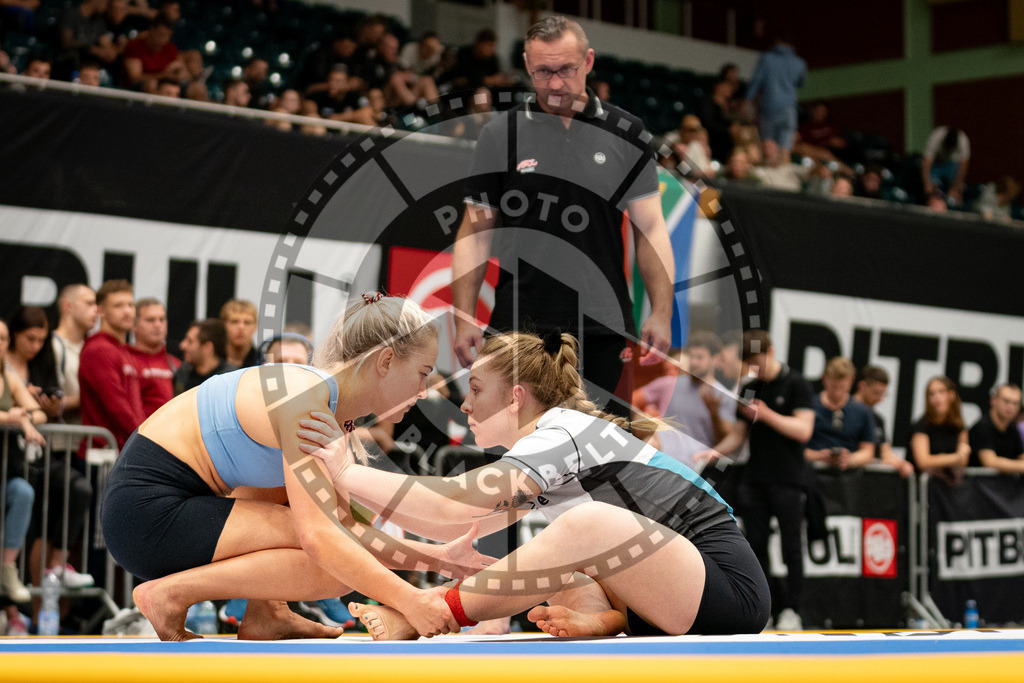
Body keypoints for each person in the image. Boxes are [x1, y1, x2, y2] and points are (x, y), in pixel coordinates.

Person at [306, 330, 768, 639]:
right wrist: (343, 485)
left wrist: (349, 472)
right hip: (667, 593)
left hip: (728, 591)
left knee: (584, 526)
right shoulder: (549, 447)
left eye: (476, 390)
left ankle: (432, 611)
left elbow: (454, 503)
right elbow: (449, 525)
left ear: (515, 397)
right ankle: (605, 618)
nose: (464, 406)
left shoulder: (560, 430)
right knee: (559, 551)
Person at [102, 295, 486, 641]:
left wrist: (439, 558)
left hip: (156, 508)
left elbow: (347, 528)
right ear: (386, 361)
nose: (424, 390)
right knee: (336, 566)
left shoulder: (327, 408)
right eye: (423, 372)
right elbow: (325, 540)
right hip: (143, 516)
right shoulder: (306, 401)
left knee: (337, 544)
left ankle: (266, 611)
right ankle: (169, 595)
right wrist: (412, 600)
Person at [451, 16, 674, 419]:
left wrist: (661, 310)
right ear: (526, 64)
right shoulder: (502, 134)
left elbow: (651, 228)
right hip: (517, 329)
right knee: (509, 464)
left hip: (603, 330)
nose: (555, 83)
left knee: (600, 468)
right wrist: (464, 315)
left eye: (566, 70)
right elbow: (475, 231)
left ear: (588, 61)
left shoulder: (628, 133)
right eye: (543, 71)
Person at [695, 330, 814, 632]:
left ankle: (794, 610)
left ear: (771, 352)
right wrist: (714, 452)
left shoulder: (797, 384)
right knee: (756, 547)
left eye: (758, 362)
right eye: (750, 364)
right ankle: (770, 605)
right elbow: (738, 435)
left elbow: (803, 430)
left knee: (791, 547)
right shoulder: (749, 387)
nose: (755, 369)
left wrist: (768, 415)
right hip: (755, 478)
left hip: (788, 478)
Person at [6, 309, 95, 589]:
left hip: (41, 455)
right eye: (29, 339)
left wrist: (46, 409)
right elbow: (24, 409)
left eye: (41, 340)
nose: (35, 346)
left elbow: (39, 413)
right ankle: (11, 606)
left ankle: (58, 565)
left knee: (79, 489)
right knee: (28, 521)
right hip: (10, 460)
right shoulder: (5, 370)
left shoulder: (43, 363)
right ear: (14, 336)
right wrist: (18, 415)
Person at [636, 331, 736, 469]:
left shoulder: (724, 397)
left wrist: (714, 413)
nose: (694, 362)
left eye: (700, 357)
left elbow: (727, 441)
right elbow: (632, 402)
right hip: (657, 464)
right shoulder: (669, 384)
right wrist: (646, 425)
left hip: (694, 470)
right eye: (691, 357)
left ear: (715, 359)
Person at [0, 318, 45, 613]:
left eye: (3, 339)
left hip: (5, 472)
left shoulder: (9, 375)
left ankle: (7, 568)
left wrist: (24, 416)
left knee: (23, 493)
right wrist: (12, 417)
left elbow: (39, 413)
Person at [79, 279, 146, 450]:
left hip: (124, 449)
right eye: (118, 306)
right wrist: (146, 441)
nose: (127, 311)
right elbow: (117, 408)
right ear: (101, 311)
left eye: (131, 305)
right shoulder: (99, 349)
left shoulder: (123, 350)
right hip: (103, 452)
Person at [804, 357, 875, 471]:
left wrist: (850, 459)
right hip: (811, 473)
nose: (837, 392)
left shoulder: (863, 411)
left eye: (841, 387)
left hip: (847, 479)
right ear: (824, 379)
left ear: (851, 381)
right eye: (834, 386)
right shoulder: (808, 406)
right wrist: (818, 456)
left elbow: (868, 450)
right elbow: (794, 448)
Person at [745, 34, 806, 163]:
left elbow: (756, 81)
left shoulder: (767, 59)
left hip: (770, 109)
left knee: (767, 146)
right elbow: (801, 83)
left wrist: (747, 100)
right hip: (790, 110)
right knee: (785, 149)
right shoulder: (800, 62)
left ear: (777, 41)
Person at [852, 365, 914, 477]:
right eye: (876, 393)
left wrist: (901, 464)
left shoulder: (878, 420)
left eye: (883, 394)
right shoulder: (845, 411)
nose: (880, 399)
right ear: (862, 386)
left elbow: (886, 452)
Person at [909, 376, 969, 487]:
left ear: (951, 395)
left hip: (950, 488)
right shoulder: (921, 425)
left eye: (941, 392)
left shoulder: (959, 425)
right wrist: (956, 457)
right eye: (932, 394)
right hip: (924, 488)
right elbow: (923, 461)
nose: (936, 397)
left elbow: (964, 460)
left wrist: (939, 459)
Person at [129, 298, 178, 417]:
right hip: (139, 432)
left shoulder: (175, 363)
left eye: (162, 319)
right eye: (150, 320)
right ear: (134, 325)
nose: (158, 325)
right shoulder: (125, 359)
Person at [968, 384, 1024, 474]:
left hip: (1005, 486)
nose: (1011, 407)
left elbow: (1021, 456)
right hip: (978, 486)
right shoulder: (982, 427)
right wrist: (1020, 466)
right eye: (1006, 401)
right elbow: (989, 462)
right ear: (993, 400)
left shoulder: (1012, 429)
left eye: (1015, 403)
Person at [121, 16, 183, 93]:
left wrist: (179, 73)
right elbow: (135, 78)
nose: (164, 39)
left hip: (166, 84)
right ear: (151, 30)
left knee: (195, 87)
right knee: (152, 84)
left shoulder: (171, 48)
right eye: (161, 34)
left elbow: (184, 75)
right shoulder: (135, 46)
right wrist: (164, 74)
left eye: (168, 35)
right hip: (137, 88)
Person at [173, 318, 234, 395]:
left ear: (208, 347)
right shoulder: (183, 374)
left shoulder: (229, 379)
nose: (182, 345)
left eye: (190, 341)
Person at [921, 126, 970, 205]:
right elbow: (926, 162)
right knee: (933, 191)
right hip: (937, 163)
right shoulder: (936, 136)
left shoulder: (963, 140)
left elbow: (963, 166)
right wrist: (927, 183)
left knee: (957, 192)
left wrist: (956, 187)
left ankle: (955, 207)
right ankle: (934, 204)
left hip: (952, 165)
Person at [220, 299, 259, 368]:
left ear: (255, 327)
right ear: (223, 325)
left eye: (247, 322)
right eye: (234, 322)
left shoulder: (263, 363)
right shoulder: (211, 364)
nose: (241, 327)